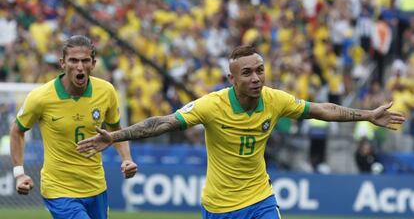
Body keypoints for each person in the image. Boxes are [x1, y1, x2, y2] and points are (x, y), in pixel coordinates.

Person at [77, 44, 405, 219]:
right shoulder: (211, 105)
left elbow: (322, 109)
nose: (255, 78)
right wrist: (115, 136)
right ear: (232, 79)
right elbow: (162, 122)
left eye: (260, 70)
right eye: (246, 72)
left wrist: (366, 115)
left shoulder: (275, 100)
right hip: (219, 207)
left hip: (261, 198)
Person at [10, 35, 138, 219]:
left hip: (96, 187)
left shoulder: (106, 91)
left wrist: (126, 158)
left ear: (93, 64)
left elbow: (115, 129)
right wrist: (19, 173)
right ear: (63, 63)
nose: (80, 66)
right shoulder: (41, 97)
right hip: (59, 190)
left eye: (85, 60)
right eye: (73, 60)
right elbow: (17, 130)